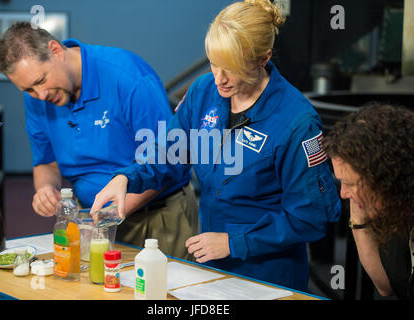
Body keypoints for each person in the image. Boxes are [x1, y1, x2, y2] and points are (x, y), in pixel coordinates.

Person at [91, 0, 341, 291]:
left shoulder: (297, 122)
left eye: (232, 68)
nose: (219, 78)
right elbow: (170, 153)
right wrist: (127, 177)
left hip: (269, 274)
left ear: (263, 58)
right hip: (210, 264)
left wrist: (235, 242)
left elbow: (310, 217)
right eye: (214, 63)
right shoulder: (203, 91)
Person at [0, 22, 199, 260]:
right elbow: (46, 162)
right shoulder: (38, 98)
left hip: (157, 216)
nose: (40, 95)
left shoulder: (127, 76)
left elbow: (171, 159)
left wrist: (106, 215)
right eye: (28, 89)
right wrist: (45, 190)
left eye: (41, 81)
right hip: (93, 219)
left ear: (56, 51)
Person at [323, 103, 414, 299]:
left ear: (384, 177)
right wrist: (359, 217)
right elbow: (387, 286)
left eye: (350, 183)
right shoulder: (398, 210)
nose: (343, 194)